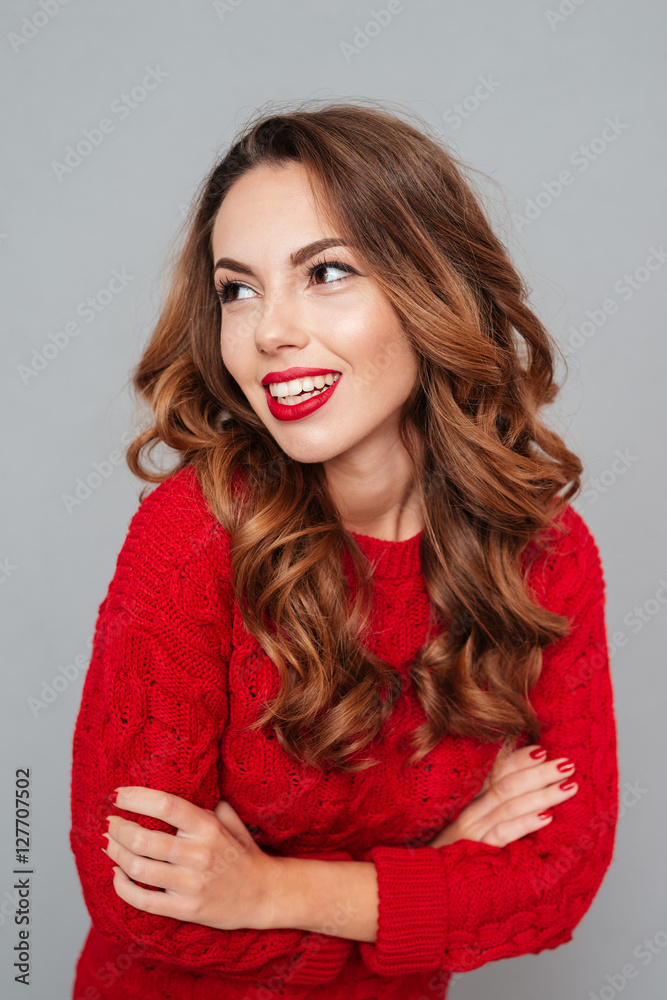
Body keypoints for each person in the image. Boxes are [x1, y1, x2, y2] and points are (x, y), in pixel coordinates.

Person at [69, 99, 619, 1000]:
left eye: (325, 272)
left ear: (432, 289)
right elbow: (139, 900)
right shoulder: (195, 531)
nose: (269, 331)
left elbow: (555, 886)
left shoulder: (545, 556)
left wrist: (272, 891)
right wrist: (433, 879)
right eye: (236, 290)